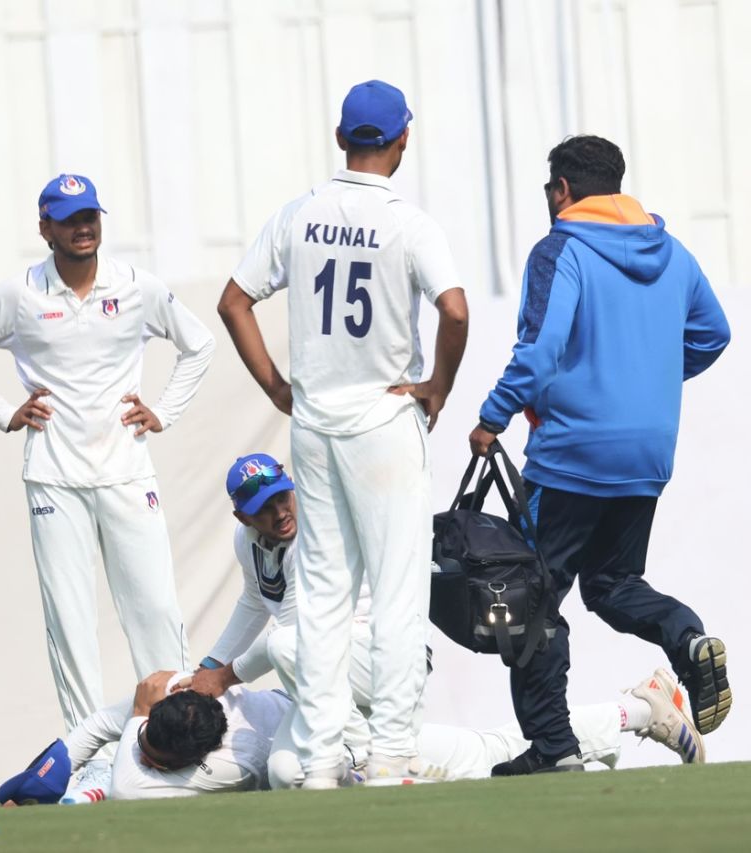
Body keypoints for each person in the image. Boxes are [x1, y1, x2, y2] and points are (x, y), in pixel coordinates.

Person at [218, 79, 469, 788]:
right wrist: (438, 387)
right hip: (384, 420)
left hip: (315, 423)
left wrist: (275, 385)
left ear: (340, 140)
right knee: (394, 591)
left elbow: (234, 301)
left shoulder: (300, 213)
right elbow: (453, 310)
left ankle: (322, 756)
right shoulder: (410, 223)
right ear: (403, 141)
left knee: (323, 594)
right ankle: (390, 751)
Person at [468, 135, 732, 775]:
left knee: (529, 599)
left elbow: (541, 347)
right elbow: (714, 335)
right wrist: (646, 384)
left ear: (561, 189)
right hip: (646, 453)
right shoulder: (672, 253)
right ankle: (688, 639)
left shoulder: (560, 250)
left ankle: (554, 749)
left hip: (571, 453)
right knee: (613, 586)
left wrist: (493, 415)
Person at [0, 174, 215, 737]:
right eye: (68, 218)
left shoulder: (136, 286)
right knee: (71, 622)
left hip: (126, 470)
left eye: (90, 216)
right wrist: (4, 412)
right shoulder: (18, 295)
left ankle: (180, 736)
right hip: (54, 477)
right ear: (44, 227)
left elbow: (199, 344)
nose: (82, 227)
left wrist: (164, 411)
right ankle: (91, 753)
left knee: (154, 608)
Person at [44, 665, 703, 802]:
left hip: (354, 740)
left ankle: (641, 712)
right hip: (342, 739)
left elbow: (122, 750)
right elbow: (119, 727)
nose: (149, 759)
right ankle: (636, 717)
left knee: (486, 757)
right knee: (495, 753)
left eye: (159, 756)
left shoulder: (224, 751)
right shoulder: (180, 710)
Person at [182, 452, 379, 785]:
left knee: (284, 643)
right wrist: (210, 664)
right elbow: (254, 601)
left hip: (376, 662)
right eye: (264, 509)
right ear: (243, 518)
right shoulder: (246, 540)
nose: (281, 513)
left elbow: (292, 630)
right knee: (285, 774)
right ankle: (359, 788)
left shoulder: (314, 534)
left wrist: (222, 677)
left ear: (291, 486)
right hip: (328, 671)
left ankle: (361, 752)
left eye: (282, 498)